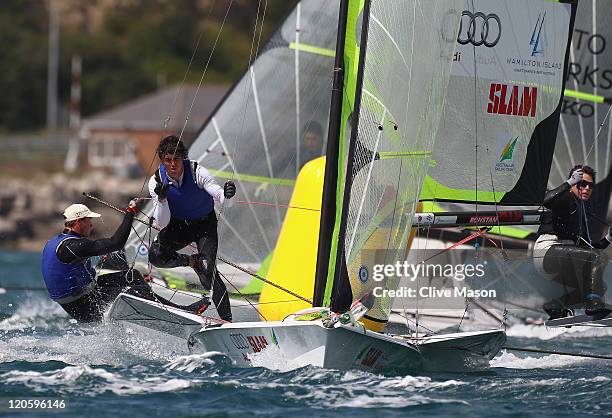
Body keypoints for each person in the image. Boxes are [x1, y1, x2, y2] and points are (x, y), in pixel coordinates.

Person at [41, 202, 205, 322]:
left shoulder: (58, 242)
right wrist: (130, 212)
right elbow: (116, 243)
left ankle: (164, 307)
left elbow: (68, 267)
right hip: (84, 306)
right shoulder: (74, 246)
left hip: (83, 295)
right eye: (88, 220)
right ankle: (183, 314)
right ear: (78, 222)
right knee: (137, 292)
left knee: (132, 276)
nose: (91, 224)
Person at [148, 135, 235, 322]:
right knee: (156, 256)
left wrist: (228, 196)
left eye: (177, 159)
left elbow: (222, 199)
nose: (173, 164)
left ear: (183, 158)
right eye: (168, 160)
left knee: (208, 270)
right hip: (178, 225)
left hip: (204, 225)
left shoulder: (197, 171)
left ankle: (227, 321)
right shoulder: (155, 181)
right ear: (163, 161)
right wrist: (162, 199)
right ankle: (192, 261)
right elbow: (162, 222)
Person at [534, 165, 612, 319]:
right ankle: (593, 306)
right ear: (574, 183)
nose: (587, 188)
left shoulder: (581, 210)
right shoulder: (565, 198)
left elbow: (588, 250)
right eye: (582, 184)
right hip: (546, 252)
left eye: (591, 185)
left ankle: (555, 306)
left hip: (565, 257)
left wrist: (609, 238)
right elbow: (544, 200)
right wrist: (568, 183)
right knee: (596, 259)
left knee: (598, 287)